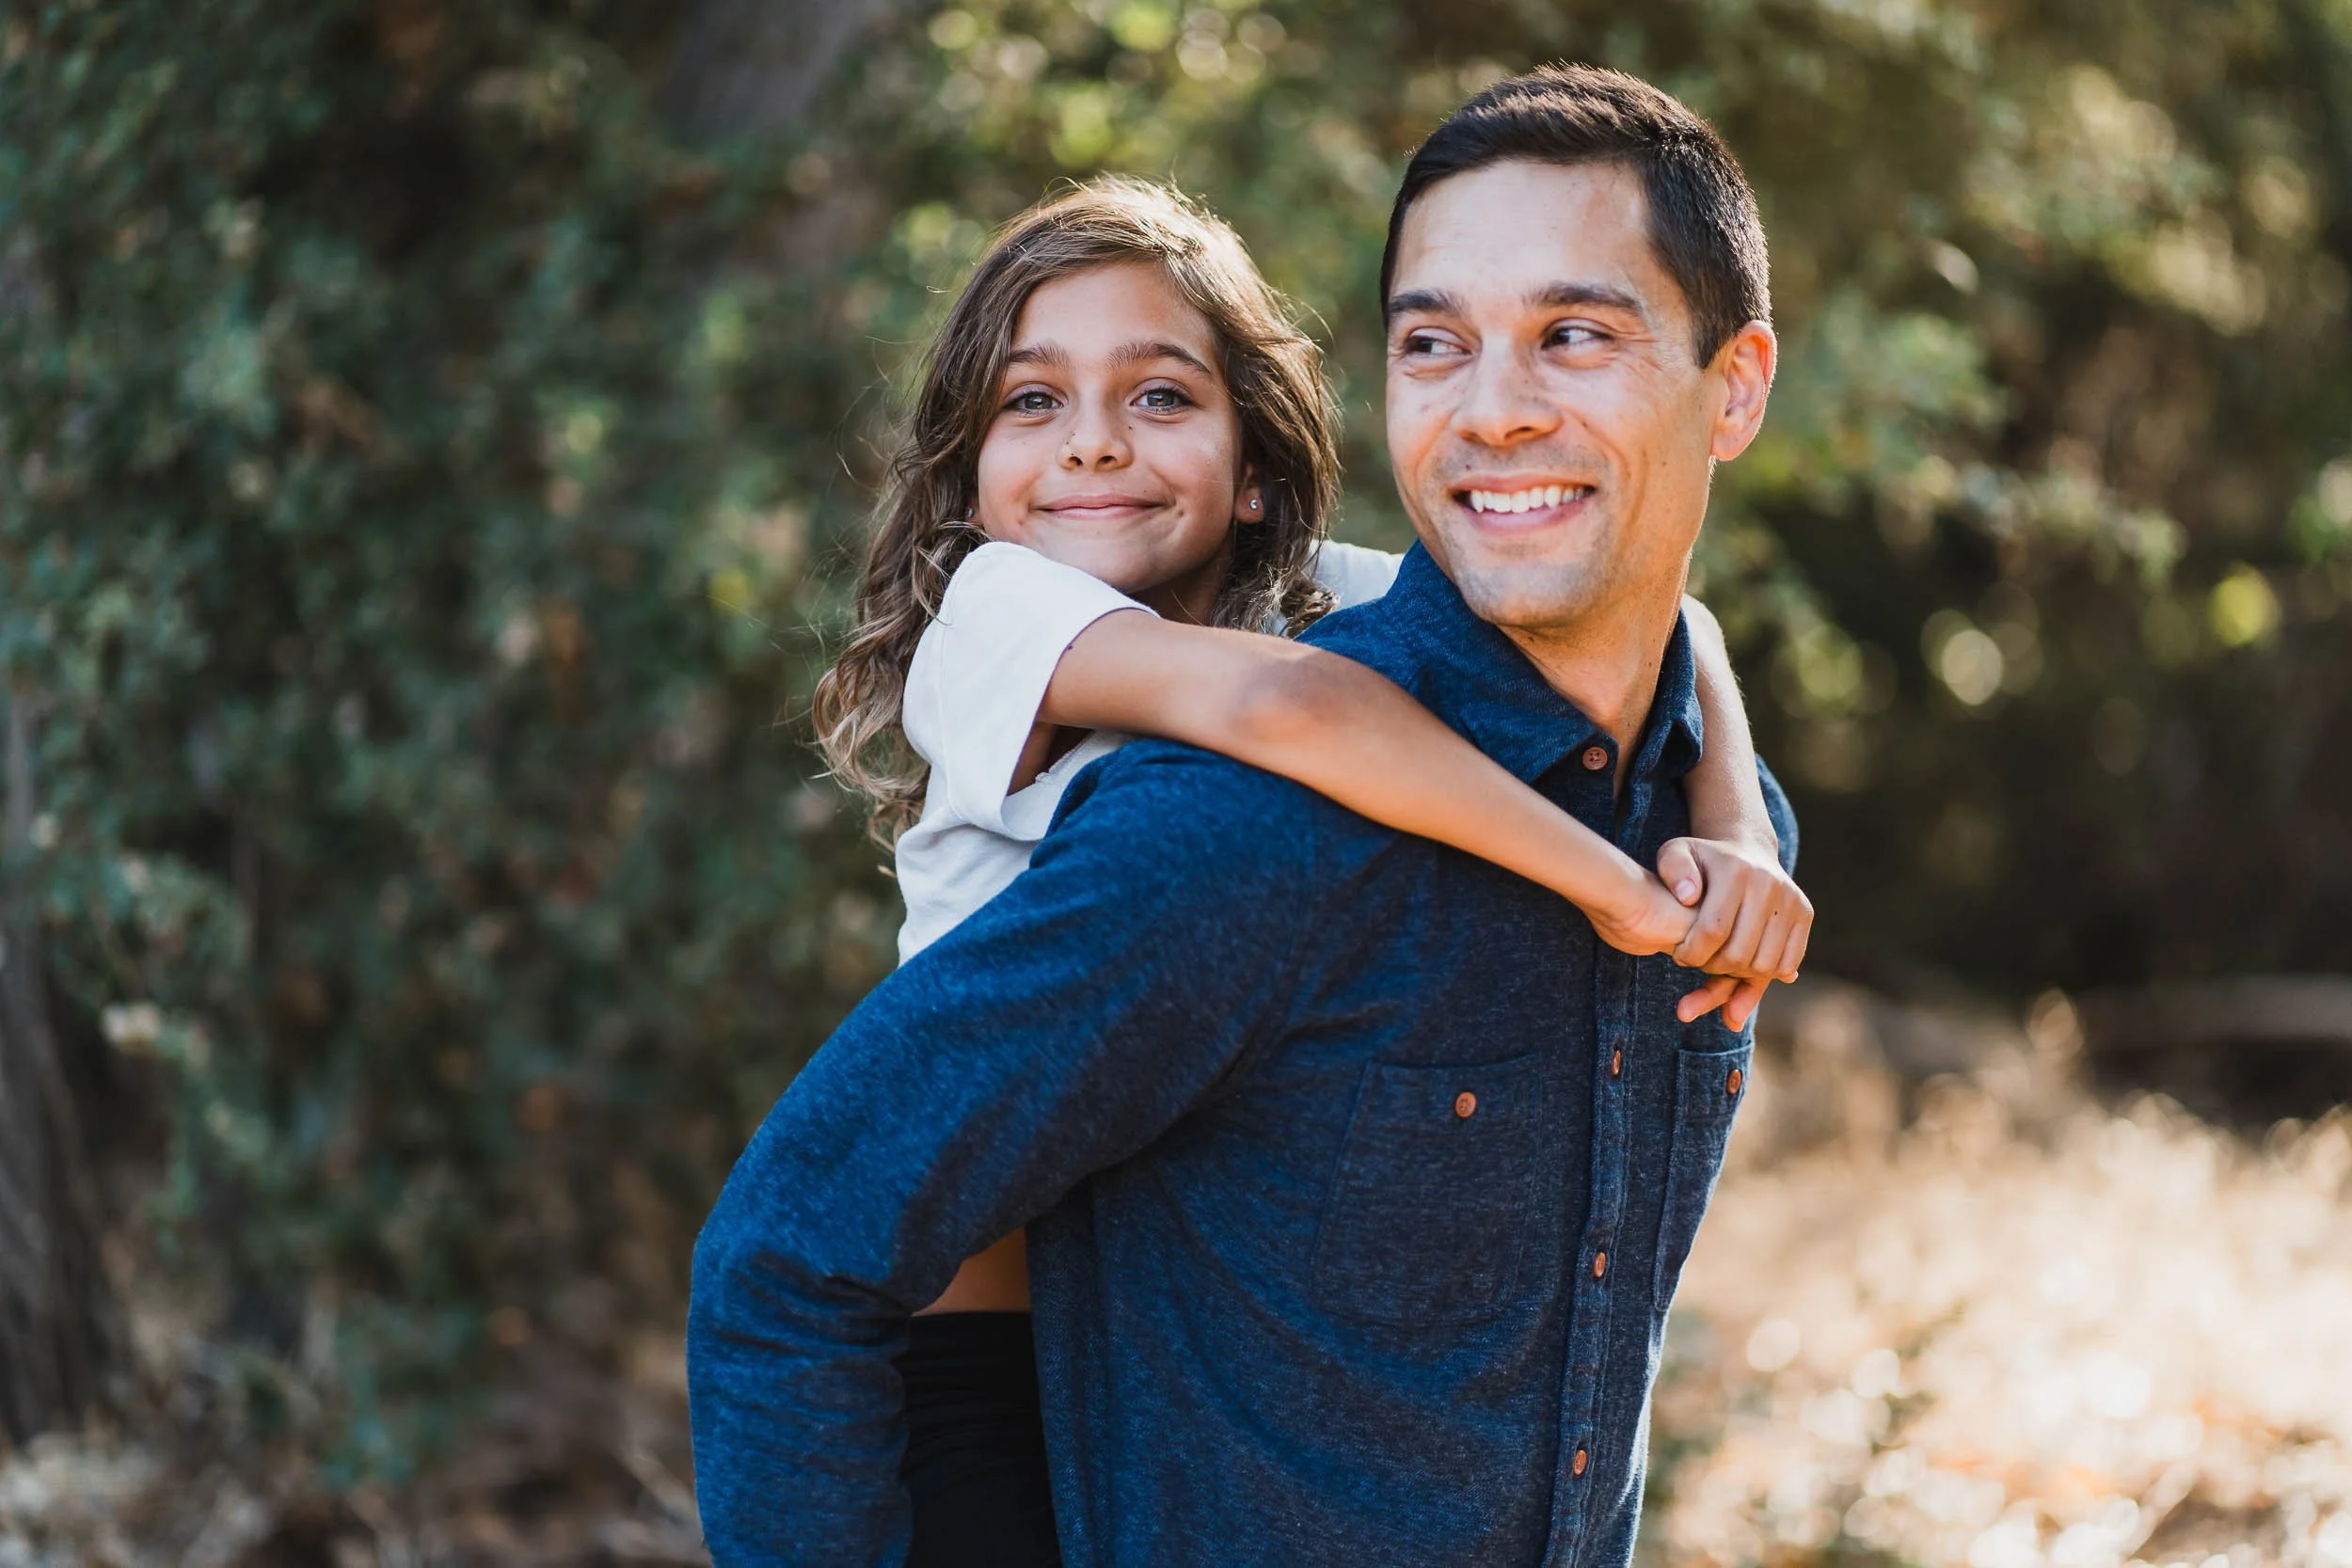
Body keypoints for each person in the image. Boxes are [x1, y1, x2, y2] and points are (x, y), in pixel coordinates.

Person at [691, 63, 1798, 1568]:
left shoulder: (1381, 639)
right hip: (956, 1341)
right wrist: (1613, 887)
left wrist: (1735, 824)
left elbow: (1685, 634)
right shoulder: (1152, 740)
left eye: (1575, 335)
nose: (1496, 410)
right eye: (1436, 344)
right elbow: (785, 1259)